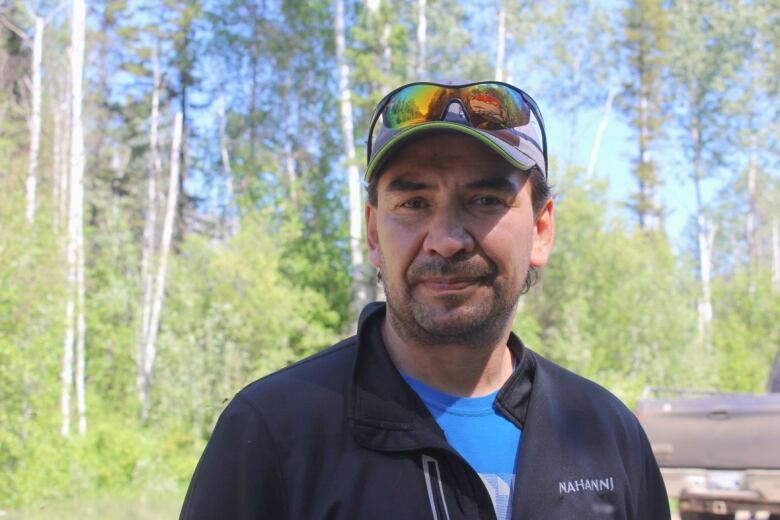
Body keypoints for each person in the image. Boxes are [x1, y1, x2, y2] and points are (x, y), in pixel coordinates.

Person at [180, 81, 671, 520]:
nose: (447, 239)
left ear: (541, 230)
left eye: (485, 201)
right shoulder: (274, 432)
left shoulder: (607, 433)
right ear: (374, 233)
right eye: (414, 204)